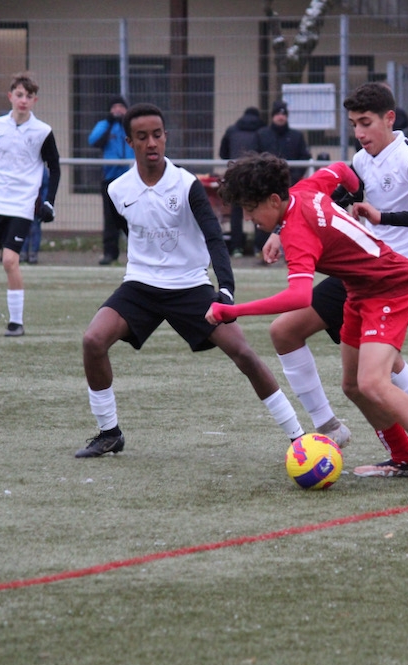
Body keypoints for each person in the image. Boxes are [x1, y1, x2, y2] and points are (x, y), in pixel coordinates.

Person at [208, 153, 408, 494]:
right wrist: (354, 200)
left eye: (250, 208)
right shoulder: (304, 190)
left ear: (274, 200)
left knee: (373, 382)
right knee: (353, 385)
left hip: (391, 288)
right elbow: (341, 172)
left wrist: (233, 311)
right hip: (359, 291)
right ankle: (405, 459)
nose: (247, 217)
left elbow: (299, 297)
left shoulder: (298, 230)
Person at [75, 103, 305, 458]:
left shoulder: (186, 185)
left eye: (157, 135)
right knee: (93, 340)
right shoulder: (117, 189)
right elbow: (131, 231)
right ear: (130, 142)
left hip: (190, 287)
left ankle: (298, 436)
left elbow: (214, 237)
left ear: (165, 136)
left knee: (244, 353)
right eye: (142, 137)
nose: (151, 143)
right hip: (139, 286)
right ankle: (109, 433)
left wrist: (225, 289)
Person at [264, 82, 408, 473]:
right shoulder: (362, 159)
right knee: (289, 332)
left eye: (366, 123)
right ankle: (350, 435)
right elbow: (330, 200)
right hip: (361, 270)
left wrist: (385, 217)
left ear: (390, 119)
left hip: (398, 275)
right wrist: (281, 230)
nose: (360, 132)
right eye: (354, 124)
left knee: (380, 373)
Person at [0, 72, 60, 337]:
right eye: (19, 95)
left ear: (35, 100)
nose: (23, 100)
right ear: (10, 96)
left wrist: (49, 202)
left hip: (22, 205)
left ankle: (16, 323)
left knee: (9, 261)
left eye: (29, 96)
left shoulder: (42, 131)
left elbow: (55, 167)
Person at [252, 99, 310, 258]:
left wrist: (294, 177)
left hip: (290, 185)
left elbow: (304, 158)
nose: (280, 117)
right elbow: (255, 157)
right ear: (272, 116)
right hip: (266, 185)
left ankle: (291, 248)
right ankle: (262, 248)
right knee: (264, 214)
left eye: (283, 114)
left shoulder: (296, 136)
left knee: (291, 215)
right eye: (277, 114)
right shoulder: (262, 135)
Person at [88, 95, 133, 266]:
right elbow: (93, 140)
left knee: (134, 217)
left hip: (131, 179)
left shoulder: (132, 126)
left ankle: (137, 253)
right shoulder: (104, 125)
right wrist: (109, 123)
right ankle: (110, 253)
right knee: (110, 218)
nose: (118, 110)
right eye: (114, 107)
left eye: (121, 106)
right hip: (110, 178)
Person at [218, 106, 265, 256]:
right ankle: (259, 247)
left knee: (236, 212)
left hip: (236, 174)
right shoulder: (262, 131)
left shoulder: (232, 130)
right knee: (257, 209)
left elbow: (223, 153)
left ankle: (236, 247)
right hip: (255, 175)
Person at [19, 167, 50, 264]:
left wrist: (43, 203)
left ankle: (32, 253)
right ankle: (23, 252)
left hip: (36, 205)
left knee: (34, 229)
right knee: (22, 228)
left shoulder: (41, 170)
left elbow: (45, 188)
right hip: (23, 203)